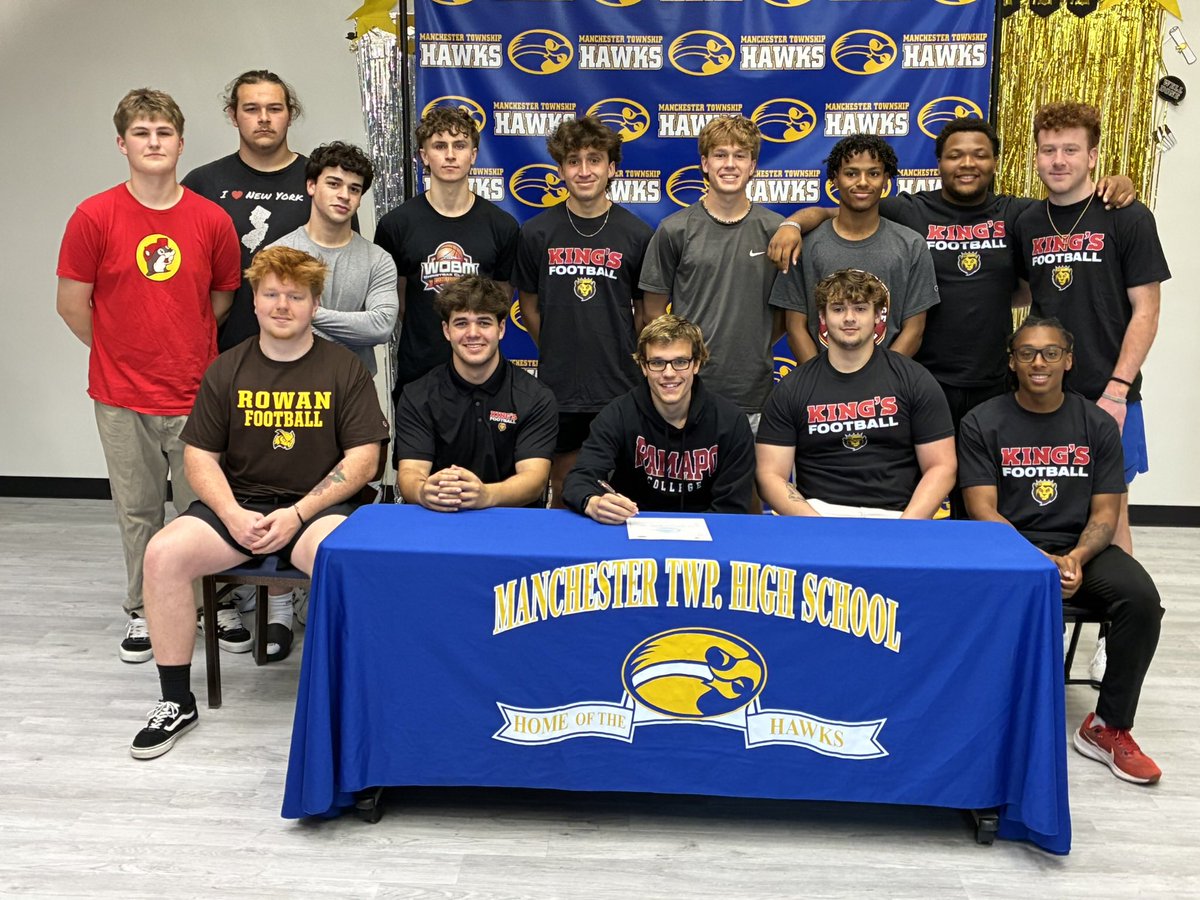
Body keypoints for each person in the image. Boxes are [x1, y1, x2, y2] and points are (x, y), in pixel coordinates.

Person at [130, 245, 389, 759]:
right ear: (254, 301)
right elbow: (200, 457)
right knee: (163, 554)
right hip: (241, 504)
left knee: (340, 560)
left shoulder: (344, 369)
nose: (282, 305)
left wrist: (297, 514)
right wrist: (230, 514)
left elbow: (364, 460)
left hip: (316, 508)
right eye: (271, 294)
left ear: (316, 303)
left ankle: (354, 700)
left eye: (296, 296)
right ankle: (176, 701)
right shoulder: (227, 369)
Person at [769, 118, 1136, 429]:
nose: (967, 164)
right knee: (921, 487)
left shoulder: (1019, 214)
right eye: (955, 155)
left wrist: (1118, 183)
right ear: (939, 163)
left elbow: (1069, 207)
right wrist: (791, 224)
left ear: (995, 162)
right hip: (924, 378)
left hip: (995, 380)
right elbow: (841, 211)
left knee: (982, 491)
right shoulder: (911, 211)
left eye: (980, 154)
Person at [56, 88, 241, 663]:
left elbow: (220, 300)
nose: (154, 143)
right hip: (120, 395)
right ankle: (142, 608)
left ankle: (208, 604)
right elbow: (71, 304)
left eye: (164, 133)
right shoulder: (94, 215)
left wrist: (176, 346)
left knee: (202, 510)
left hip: (194, 394)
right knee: (137, 508)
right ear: (122, 143)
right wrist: (123, 351)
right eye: (142, 133)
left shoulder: (211, 219)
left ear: (181, 143)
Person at [958, 316, 1163, 784]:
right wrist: (1038, 560)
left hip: (1079, 550)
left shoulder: (1095, 424)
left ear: (1069, 361)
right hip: (1009, 549)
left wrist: (1074, 559)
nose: (1039, 362)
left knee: (1141, 598)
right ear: (1011, 362)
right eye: (1027, 352)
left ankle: (1108, 726)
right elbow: (982, 511)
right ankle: (989, 714)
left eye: (1051, 352)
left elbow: (1106, 515)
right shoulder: (981, 422)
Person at [1013, 102, 1170, 557]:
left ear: (1093, 156)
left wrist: (1117, 391)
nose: (1058, 160)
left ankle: (1118, 619)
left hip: (1108, 390)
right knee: (1041, 505)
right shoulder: (1027, 222)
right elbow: (1027, 292)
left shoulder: (1127, 216)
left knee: (1112, 510)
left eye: (1070, 149)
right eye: (1048, 150)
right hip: (1043, 392)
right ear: (1036, 157)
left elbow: (1147, 311)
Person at [514, 117, 654, 508]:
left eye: (595, 160)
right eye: (573, 161)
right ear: (560, 169)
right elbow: (529, 307)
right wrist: (559, 346)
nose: (584, 170)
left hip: (620, 383)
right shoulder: (536, 232)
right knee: (564, 486)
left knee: (625, 488)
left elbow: (645, 314)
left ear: (612, 168)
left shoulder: (637, 234)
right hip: (560, 386)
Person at [756, 269, 955, 517]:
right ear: (822, 317)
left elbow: (942, 466)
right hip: (818, 514)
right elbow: (769, 475)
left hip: (897, 515)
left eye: (860, 308)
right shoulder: (792, 388)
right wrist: (816, 525)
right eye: (838, 309)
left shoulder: (914, 380)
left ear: (877, 317)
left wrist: (907, 526)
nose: (849, 318)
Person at [639, 115, 784, 421]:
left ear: (753, 166)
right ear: (704, 163)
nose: (729, 164)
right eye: (720, 155)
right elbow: (652, 314)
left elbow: (787, 315)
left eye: (740, 155)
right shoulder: (674, 229)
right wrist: (680, 361)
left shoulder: (776, 231)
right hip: (687, 393)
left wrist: (751, 344)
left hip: (753, 394)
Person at [375, 107, 520, 402]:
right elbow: (399, 302)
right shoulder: (396, 225)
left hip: (482, 374)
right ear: (424, 156)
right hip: (419, 372)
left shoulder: (502, 226)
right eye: (440, 146)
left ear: (474, 155)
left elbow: (501, 299)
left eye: (460, 145)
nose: (450, 155)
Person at [562, 315, 755, 522]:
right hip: (630, 529)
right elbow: (580, 479)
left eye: (680, 362)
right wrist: (593, 502)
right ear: (644, 367)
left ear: (696, 364)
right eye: (657, 362)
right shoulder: (617, 414)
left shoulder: (731, 421)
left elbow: (732, 507)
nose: (669, 373)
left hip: (707, 536)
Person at [768, 134, 938, 367]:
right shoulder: (806, 245)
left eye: (874, 173)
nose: (863, 182)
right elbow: (795, 327)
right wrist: (821, 380)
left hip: (886, 387)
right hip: (820, 388)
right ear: (834, 180)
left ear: (886, 179)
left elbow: (914, 329)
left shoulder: (911, 245)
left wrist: (881, 378)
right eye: (851, 173)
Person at [394, 276, 557, 511]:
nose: (473, 333)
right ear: (446, 330)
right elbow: (411, 473)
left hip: (514, 525)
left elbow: (534, 480)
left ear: (501, 328)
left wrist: (486, 495)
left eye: (483, 322)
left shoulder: (536, 397)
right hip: (441, 518)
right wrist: (423, 491)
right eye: (461, 323)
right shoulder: (417, 395)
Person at [182, 70, 316, 351]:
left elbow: (341, 265)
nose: (264, 118)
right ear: (233, 115)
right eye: (251, 109)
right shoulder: (202, 184)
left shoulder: (320, 182)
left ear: (289, 115)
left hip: (304, 354)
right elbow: (181, 274)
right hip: (223, 355)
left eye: (275, 109)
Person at [270, 141, 398, 374]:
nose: (344, 195)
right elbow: (277, 326)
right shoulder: (279, 254)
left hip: (355, 391)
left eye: (354, 189)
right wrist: (354, 332)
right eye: (333, 184)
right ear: (311, 185)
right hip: (292, 389)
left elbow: (381, 327)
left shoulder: (378, 260)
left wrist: (309, 312)